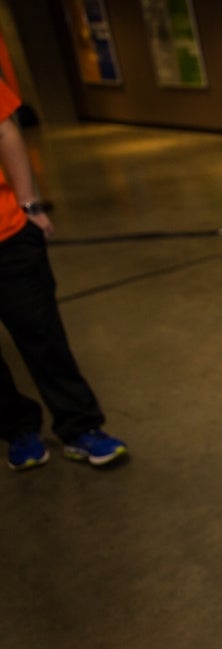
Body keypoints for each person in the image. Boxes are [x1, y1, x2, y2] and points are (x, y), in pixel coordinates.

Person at [0, 78, 128, 470]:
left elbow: (4, 128)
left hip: (6, 234)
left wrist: (29, 204)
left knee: (42, 334)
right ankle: (18, 429)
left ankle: (79, 427)